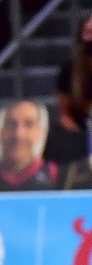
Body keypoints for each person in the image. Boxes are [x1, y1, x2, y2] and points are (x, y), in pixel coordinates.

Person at [0, 100, 60, 192]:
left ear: (41, 132)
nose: (18, 135)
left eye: (29, 125)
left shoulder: (55, 175)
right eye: (11, 124)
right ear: (0, 131)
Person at [55, 13, 92, 163]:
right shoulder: (69, 71)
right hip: (81, 134)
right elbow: (65, 116)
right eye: (88, 32)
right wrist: (81, 137)